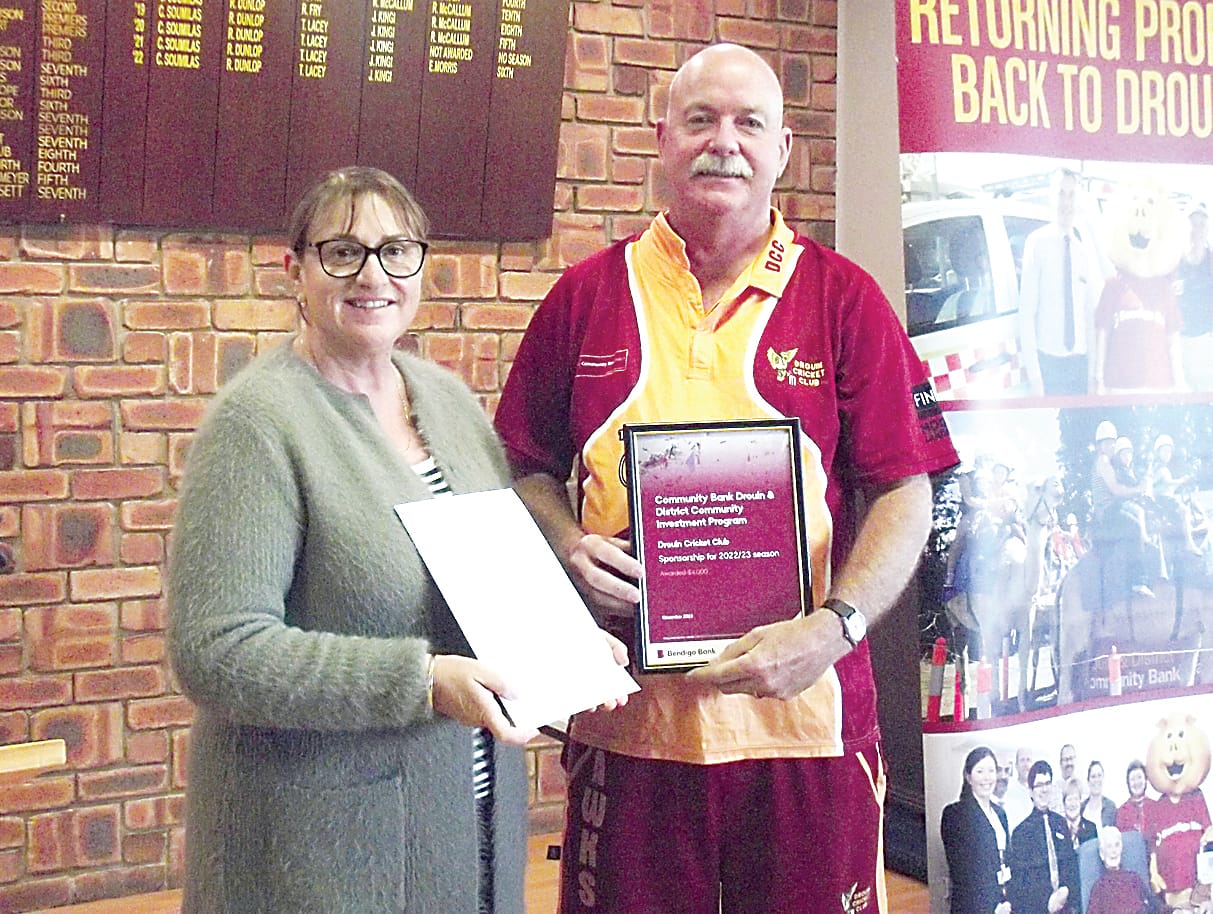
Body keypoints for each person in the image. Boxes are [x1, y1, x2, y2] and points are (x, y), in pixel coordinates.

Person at [493, 42, 959, 913]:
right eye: (701, 119)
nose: (724, 143)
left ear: (784, 149)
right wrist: (563, 544)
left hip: (805, 730)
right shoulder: (586, 295)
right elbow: (525, 464)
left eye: (750, 123)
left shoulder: (845, 300)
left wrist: (834, 627)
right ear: (661, 136)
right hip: (627, 726)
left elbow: (904, 487)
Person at [167, 167, 628, 914]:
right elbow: (216, 652)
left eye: (396, 250)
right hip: (323, 851)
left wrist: (568, 645)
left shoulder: (444, 399)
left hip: (465, 825)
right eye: (342, 251)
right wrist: (419, 682)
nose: (372, 274)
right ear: (296, 271)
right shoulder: (257, 425)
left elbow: (491, 580)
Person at [1019, 168, 1103, 396]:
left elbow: (1089, 318)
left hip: (1079, 366)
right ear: (1051, 197)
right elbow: (1026, 313)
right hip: (1049, 368)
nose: (1066, 202)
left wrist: (1093, 375)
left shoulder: (1083, 252)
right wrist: (1036, 378)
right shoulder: (1037, 243)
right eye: (1061, 194)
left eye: (1071, 195)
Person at [941, 747, 1013, 914]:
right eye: (980, 771)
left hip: (1004, 903)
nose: (987, 778)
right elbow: (962, 872)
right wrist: (992, 909)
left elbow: (1007, 860)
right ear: (968, 777)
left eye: (991, 771)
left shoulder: (1000, 813)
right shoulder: (955, 814)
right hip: (974, 907)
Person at [1010, 760, 1080, 914]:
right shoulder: (1020, 833)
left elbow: (1070, 866)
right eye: (1039, 785)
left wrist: (1065, 892)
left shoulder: (1061, 823)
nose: (1044, 790)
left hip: (1065, 907)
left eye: (1047, 784)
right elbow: (1021, 883)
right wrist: (1047, 903)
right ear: (1030, 791)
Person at [1178, 203, 1213, 391]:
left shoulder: (1211, 261)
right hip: (1179, 344)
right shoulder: (1174, 262)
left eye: (1202, 225)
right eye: (1193, 224)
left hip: (1206, 343)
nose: (1197, 230)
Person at [1086, 827, 1156, 914]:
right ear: (1102, 853)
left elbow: (1155, 905)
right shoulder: (1099, 887)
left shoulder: (1134, 878)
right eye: (1109, 846)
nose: (1114, 851)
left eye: (1117, 845)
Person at [1063, 776, 1100, 849]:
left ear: (1080, 802)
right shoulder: (1058, 828)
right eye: (1069, 799)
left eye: (1076, 799)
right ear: (1064, 803)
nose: (1072, 804)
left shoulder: (1091, 829)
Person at [1116, 760, 1152, 834]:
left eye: (1139, 777)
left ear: (1145, 779)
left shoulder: (1155, 807)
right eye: (1132, 779)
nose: (1136, 782)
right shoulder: (1122, 812)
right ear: (1128, 783)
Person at [1084, 760, 1119, 828]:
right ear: (1088, 781)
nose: (1096, 780)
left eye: (1099, 776)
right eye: (1093, 776)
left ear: (1103, 778)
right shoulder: (1082, 808)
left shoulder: (1111, 807)